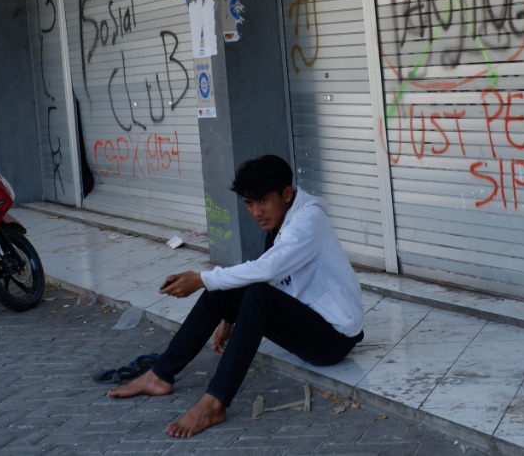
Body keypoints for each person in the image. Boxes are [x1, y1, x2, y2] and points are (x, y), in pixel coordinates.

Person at [108, 154, 365, 438]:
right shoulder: (282, 220)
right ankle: (160, 375)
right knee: (226, 291)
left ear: (287, 194)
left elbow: (268, 270)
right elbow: (272, 276)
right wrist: (229, 315)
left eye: (263, 201)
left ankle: (215, 402)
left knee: (254, 293)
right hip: (308, 317)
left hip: (333, 339)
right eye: (249, 203)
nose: (256, 212)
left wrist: (202, 279)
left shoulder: (308, 221)